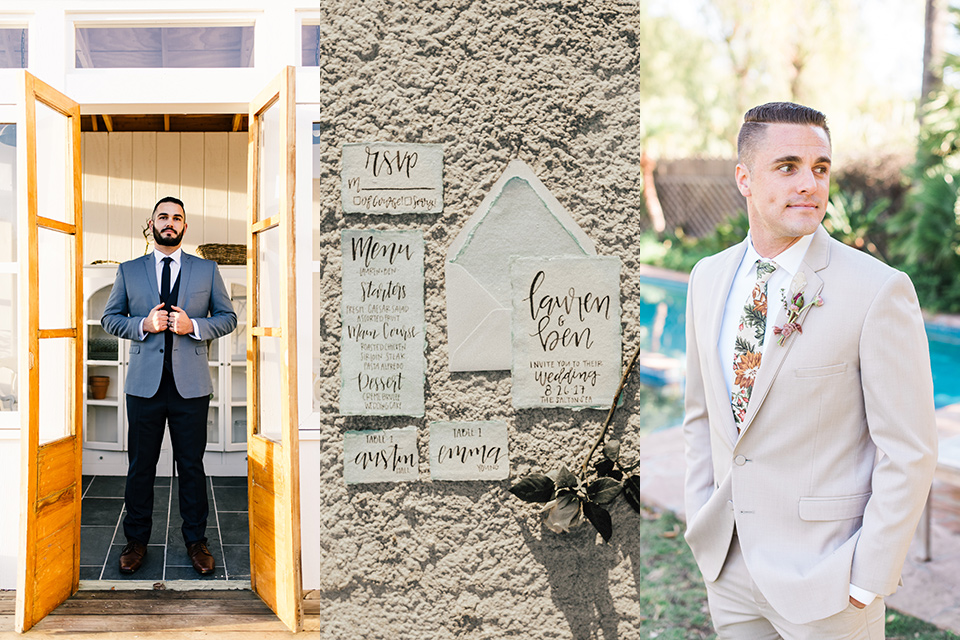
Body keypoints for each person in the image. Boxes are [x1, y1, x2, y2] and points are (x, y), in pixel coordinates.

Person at [682, 102, 938, 638]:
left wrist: (867, 579)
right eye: (788, 166)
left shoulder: (877, 290)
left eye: (820, 168)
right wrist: (701, 522)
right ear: (744, 179)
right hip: (729, 571)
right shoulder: (707, 278)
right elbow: (700, 418)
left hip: (829, 581)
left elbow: (908, 449)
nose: (809, 183)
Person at [102, 196, 237, 576]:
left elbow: (228, 318)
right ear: (151, 223)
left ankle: (197, 541)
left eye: (177, 217)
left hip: (191, 387)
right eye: (163, 216)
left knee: (191, 466)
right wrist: (142, 325)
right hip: (143, 386)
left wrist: (193, 326)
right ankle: (136, 542)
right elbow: (109, 319)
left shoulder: (207, 270)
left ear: (185, 226)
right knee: (140, 467)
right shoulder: (129, 271)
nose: (170, 222)